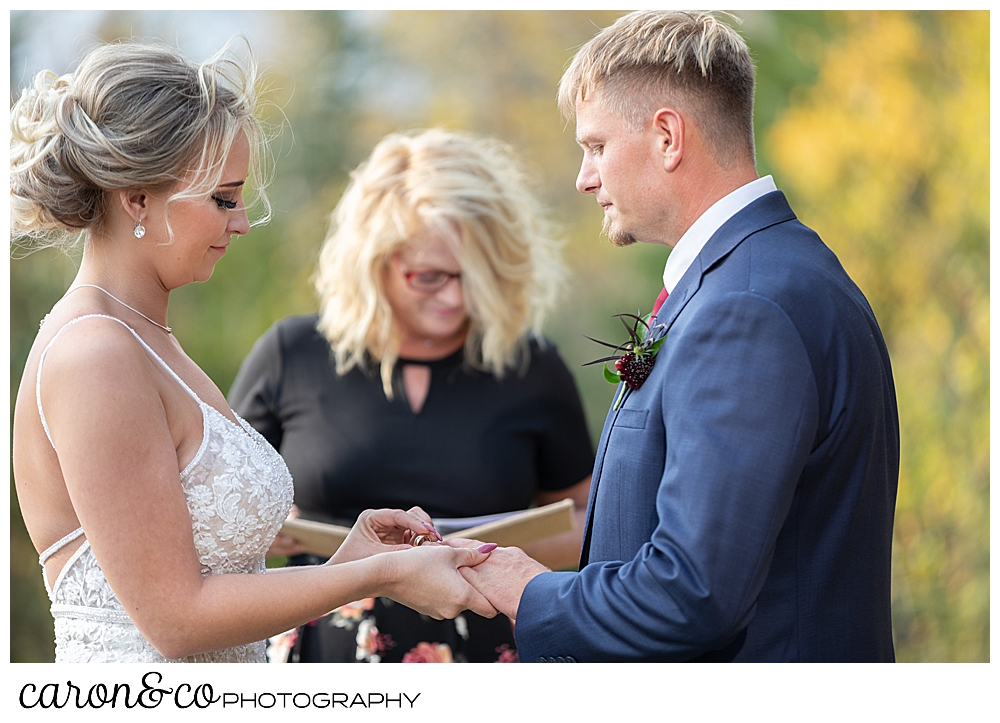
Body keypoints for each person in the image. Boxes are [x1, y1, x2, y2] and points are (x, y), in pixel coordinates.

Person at [10, 39, 498, 664]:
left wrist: (354, 557)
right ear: (136, 198)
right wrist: (379, 579)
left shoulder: (147, 340)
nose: (241, 222)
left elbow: (208, 590)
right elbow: (176, 621)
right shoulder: (96, 352)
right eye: (222, 198)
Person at [460, 10, 900, 662]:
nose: (585, 177)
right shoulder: (773, 275)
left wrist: (531, 592)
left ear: (667, 136)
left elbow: (694, 595)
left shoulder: (745, 309)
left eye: (596, 146)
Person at [228, 128, 594, 663]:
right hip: (323, 663)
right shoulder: (293, 354)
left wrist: (492, 554)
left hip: (487, 655)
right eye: (429, 277)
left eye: (474, 275)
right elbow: (206, 513)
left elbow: (591, 521)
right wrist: (262, 528)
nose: (455, 296)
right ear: (372, 262)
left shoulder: (531, 366)